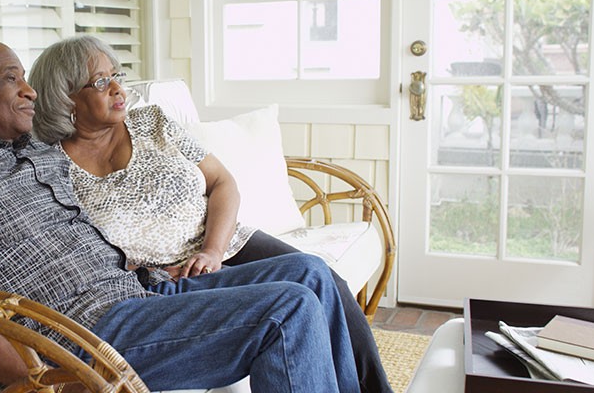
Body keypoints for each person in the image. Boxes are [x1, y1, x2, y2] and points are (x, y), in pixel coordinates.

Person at [0, 32, 359, 392]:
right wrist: (42, 380)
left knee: (310, 275)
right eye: (11, 79)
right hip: (87, 333)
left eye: (26, 79)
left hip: (142, 294)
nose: (29, 92)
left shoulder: (29, 152)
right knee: (287, 308)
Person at [28, 35, 394, 393]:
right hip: (165, 275)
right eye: (101, 81)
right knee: (291, 305)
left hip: (224, 241)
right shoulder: (50, 170)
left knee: (321, 277)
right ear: (66, 97)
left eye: (117, 76)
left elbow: (222, 182)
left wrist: (213, 250)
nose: (118, 89)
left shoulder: (151, 122)